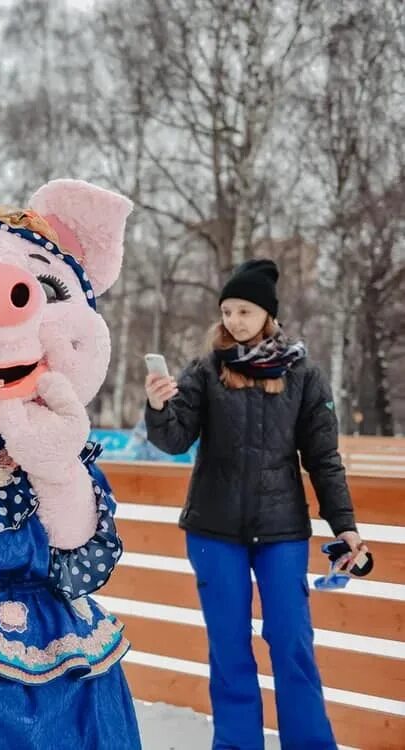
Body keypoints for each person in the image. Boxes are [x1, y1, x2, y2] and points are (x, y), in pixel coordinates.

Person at [144, 258, 367, 750]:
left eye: (244, 310)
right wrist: (160, 406)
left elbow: (324, 458)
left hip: (282, 529)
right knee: (229, 649)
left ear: (268, 315)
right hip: (214, 529)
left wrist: (344, 525)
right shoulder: (206, 370)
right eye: (227, 310)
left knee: (291, 644)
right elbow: (175, 439)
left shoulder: (304, 374)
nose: (233, 321)